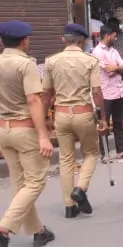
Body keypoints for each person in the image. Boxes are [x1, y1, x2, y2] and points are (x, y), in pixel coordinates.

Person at [0, 21, 56, 247]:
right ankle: (4, 230)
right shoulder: (25, 64)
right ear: (24, 41)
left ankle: (37, 231)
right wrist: (44, 135)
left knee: (20, 182)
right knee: (35, 181)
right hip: (24, 130)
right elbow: (34, 100)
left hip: (3, 130)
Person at [42, 24, 106, 219]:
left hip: (61, 114)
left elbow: (46, 93)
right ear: (83, 41)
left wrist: (45, 117)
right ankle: (80, 188)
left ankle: (69, 206)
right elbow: (96, 91)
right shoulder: (90, 61)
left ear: (64, 40)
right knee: (91, 153)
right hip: (83, 113)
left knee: (66, 159)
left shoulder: (51, 61)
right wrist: (103, 117)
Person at [92, 25, 123, 160]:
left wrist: (117, 68)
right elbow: (109, 71)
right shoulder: (97, 52)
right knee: (104, 123)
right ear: (107, 35)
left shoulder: (113, 51)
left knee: (118, 122)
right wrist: (118, 68)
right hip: (106, 93)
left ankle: (120, 151)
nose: (115, 38)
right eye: (114, 36)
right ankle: (105, 154)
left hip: (119, 91)